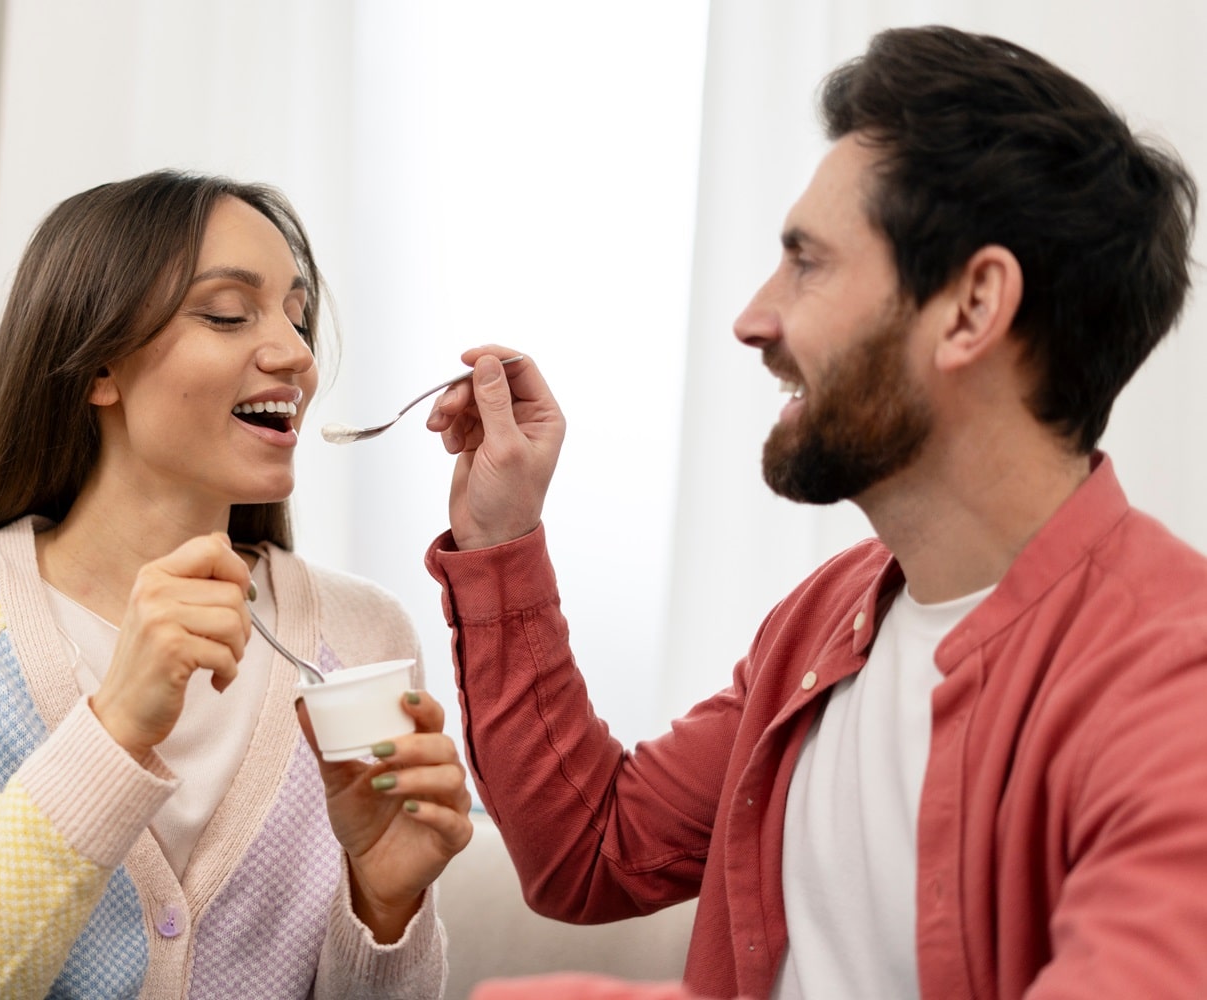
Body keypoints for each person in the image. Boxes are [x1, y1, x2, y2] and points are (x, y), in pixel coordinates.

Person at [423, 24, 1207, 1000]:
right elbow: (593, 848)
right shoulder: (826, 621)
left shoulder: (1174, 685)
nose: (753, 318)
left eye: (807, 262)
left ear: (972, 308)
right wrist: (501, 538)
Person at [0, 170, 472, 998]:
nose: (297, 355)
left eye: (297, 317)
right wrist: (112, 730)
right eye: (227, 314)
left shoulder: (363, 633)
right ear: (99, 367)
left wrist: (386, 904)